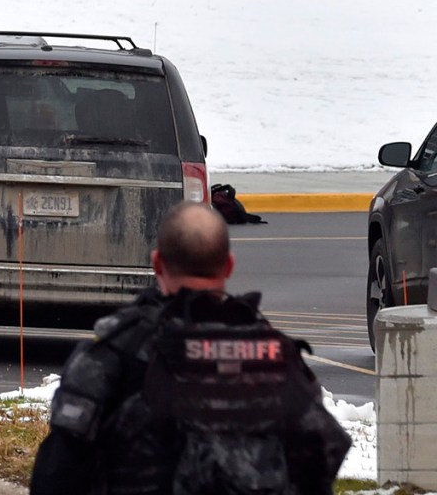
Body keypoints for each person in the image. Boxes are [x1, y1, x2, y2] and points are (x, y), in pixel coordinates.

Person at [30, 202, 347, 495]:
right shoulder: (278, 358)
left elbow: (56, 475)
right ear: (229, 266)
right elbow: (321, 461)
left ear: (157, 263)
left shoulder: (117, 354)